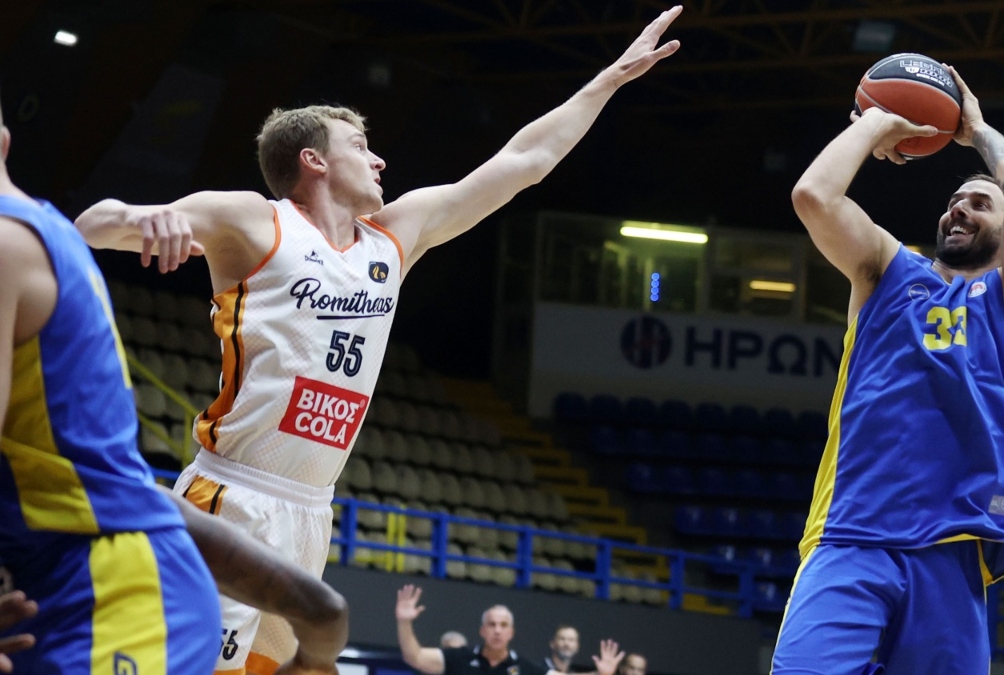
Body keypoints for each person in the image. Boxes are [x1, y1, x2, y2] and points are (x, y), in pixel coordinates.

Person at [74, 7, 681, 674]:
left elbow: (523, 162)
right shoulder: (256, 221)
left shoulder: (395, 237)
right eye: (361, 146)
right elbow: (92, 224)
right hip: (234, 496)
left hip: (313, 511)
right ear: (313, 160)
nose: (379, 157)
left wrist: (607, 81)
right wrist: (147, 218)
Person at [0, 92, 347, 674]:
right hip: (105, 562)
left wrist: (316, 614)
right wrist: (314, 610)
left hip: (105, 591)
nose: (377, 160)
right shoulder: (44, 235)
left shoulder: (13, 244)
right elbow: (118, 488)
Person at [773, 65, 1004, 675]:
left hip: (951, 550)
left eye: (979, 204)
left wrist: (974, 131)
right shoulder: (887, 267)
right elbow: (813, 197)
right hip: (852, 531)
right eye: (954, 202)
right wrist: (875, 122)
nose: (959, 210)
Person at [394, 585, 624, 675]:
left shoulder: (525, 668)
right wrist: (404, 622)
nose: (497, 630)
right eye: (492, 624)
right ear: (482, 631)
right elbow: (414, 656)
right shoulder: (458, 658)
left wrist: (603, 674)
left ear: (511, 633)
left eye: (503, 625)